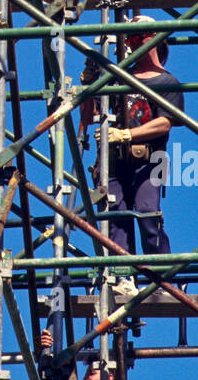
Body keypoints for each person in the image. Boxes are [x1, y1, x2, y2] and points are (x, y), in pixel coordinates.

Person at [79, 17, 184, 303]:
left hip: (146, 162)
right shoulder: (116, 78)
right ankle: (123, 276)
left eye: (138, 36)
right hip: (112, 162)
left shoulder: (166, 81)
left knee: (148, 213)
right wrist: (89, 87)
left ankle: (160, 276)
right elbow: (88, 119)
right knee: (117, 218)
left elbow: (165, 124)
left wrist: (127, 134)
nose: (131, 43)